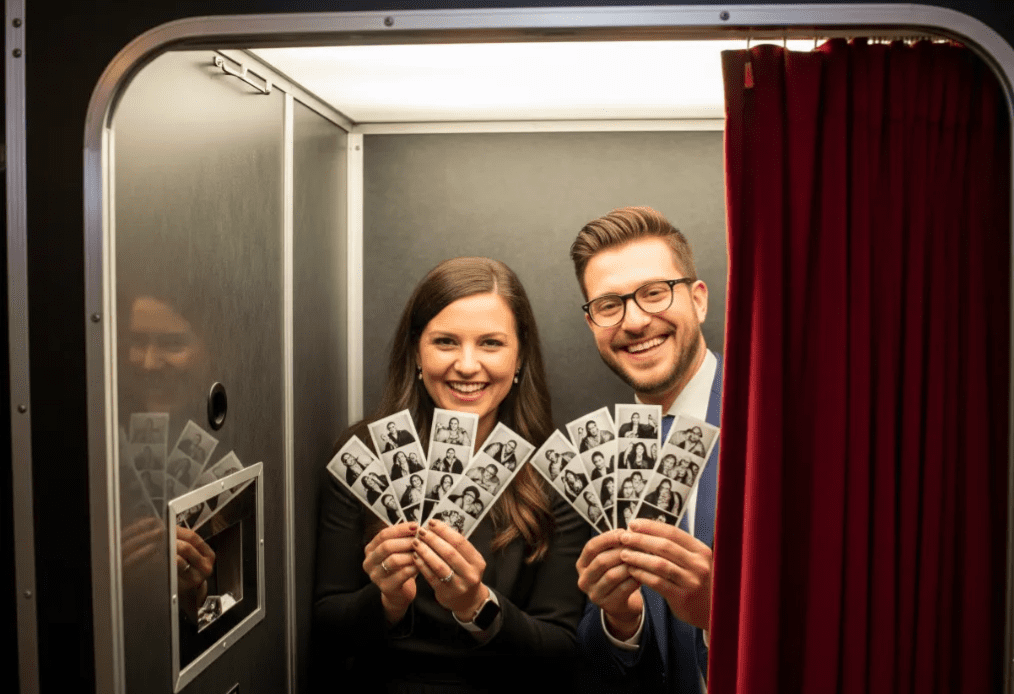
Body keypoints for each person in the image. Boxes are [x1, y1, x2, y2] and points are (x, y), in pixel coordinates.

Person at [313, 257, 589, 692]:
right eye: (445, 341)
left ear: (519, 359)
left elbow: (561, 653)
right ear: (417, 355)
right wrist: (387, 600)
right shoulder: (366, 455)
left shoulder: (557, 472)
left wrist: (476, 605)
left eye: (491, 344)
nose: (466, 364)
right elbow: (326, 629)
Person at [570, 207, 722, 693]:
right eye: (609, 305)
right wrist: (621, 620)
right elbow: (598, 666)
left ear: (697, 300)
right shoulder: (600, 458)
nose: (635, 321)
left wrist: (724, 615)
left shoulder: (780, 423)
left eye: (655, 293)